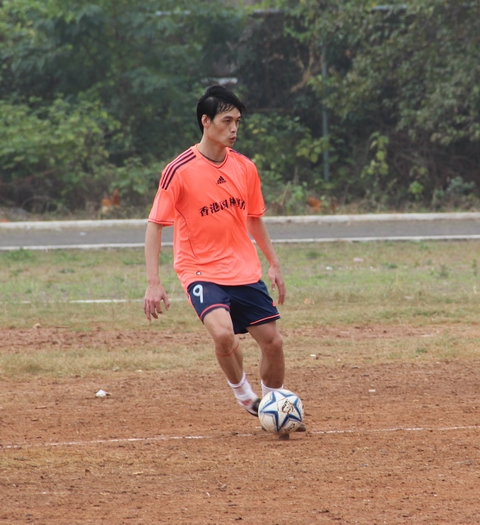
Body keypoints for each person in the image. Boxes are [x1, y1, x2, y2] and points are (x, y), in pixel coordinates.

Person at [144, 85, 301, 425]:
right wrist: (153, 282)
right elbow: (155, 225)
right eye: (227, 121)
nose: (234, 129)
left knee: (273, 343)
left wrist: (274, 263)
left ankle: (275, 407)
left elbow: (255, 219)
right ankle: (245, 395)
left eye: (238, 122)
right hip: (200, 269)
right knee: (223, 334)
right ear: (206, 121)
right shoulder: (179, 170)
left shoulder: (245, 167)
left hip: (243, 269)